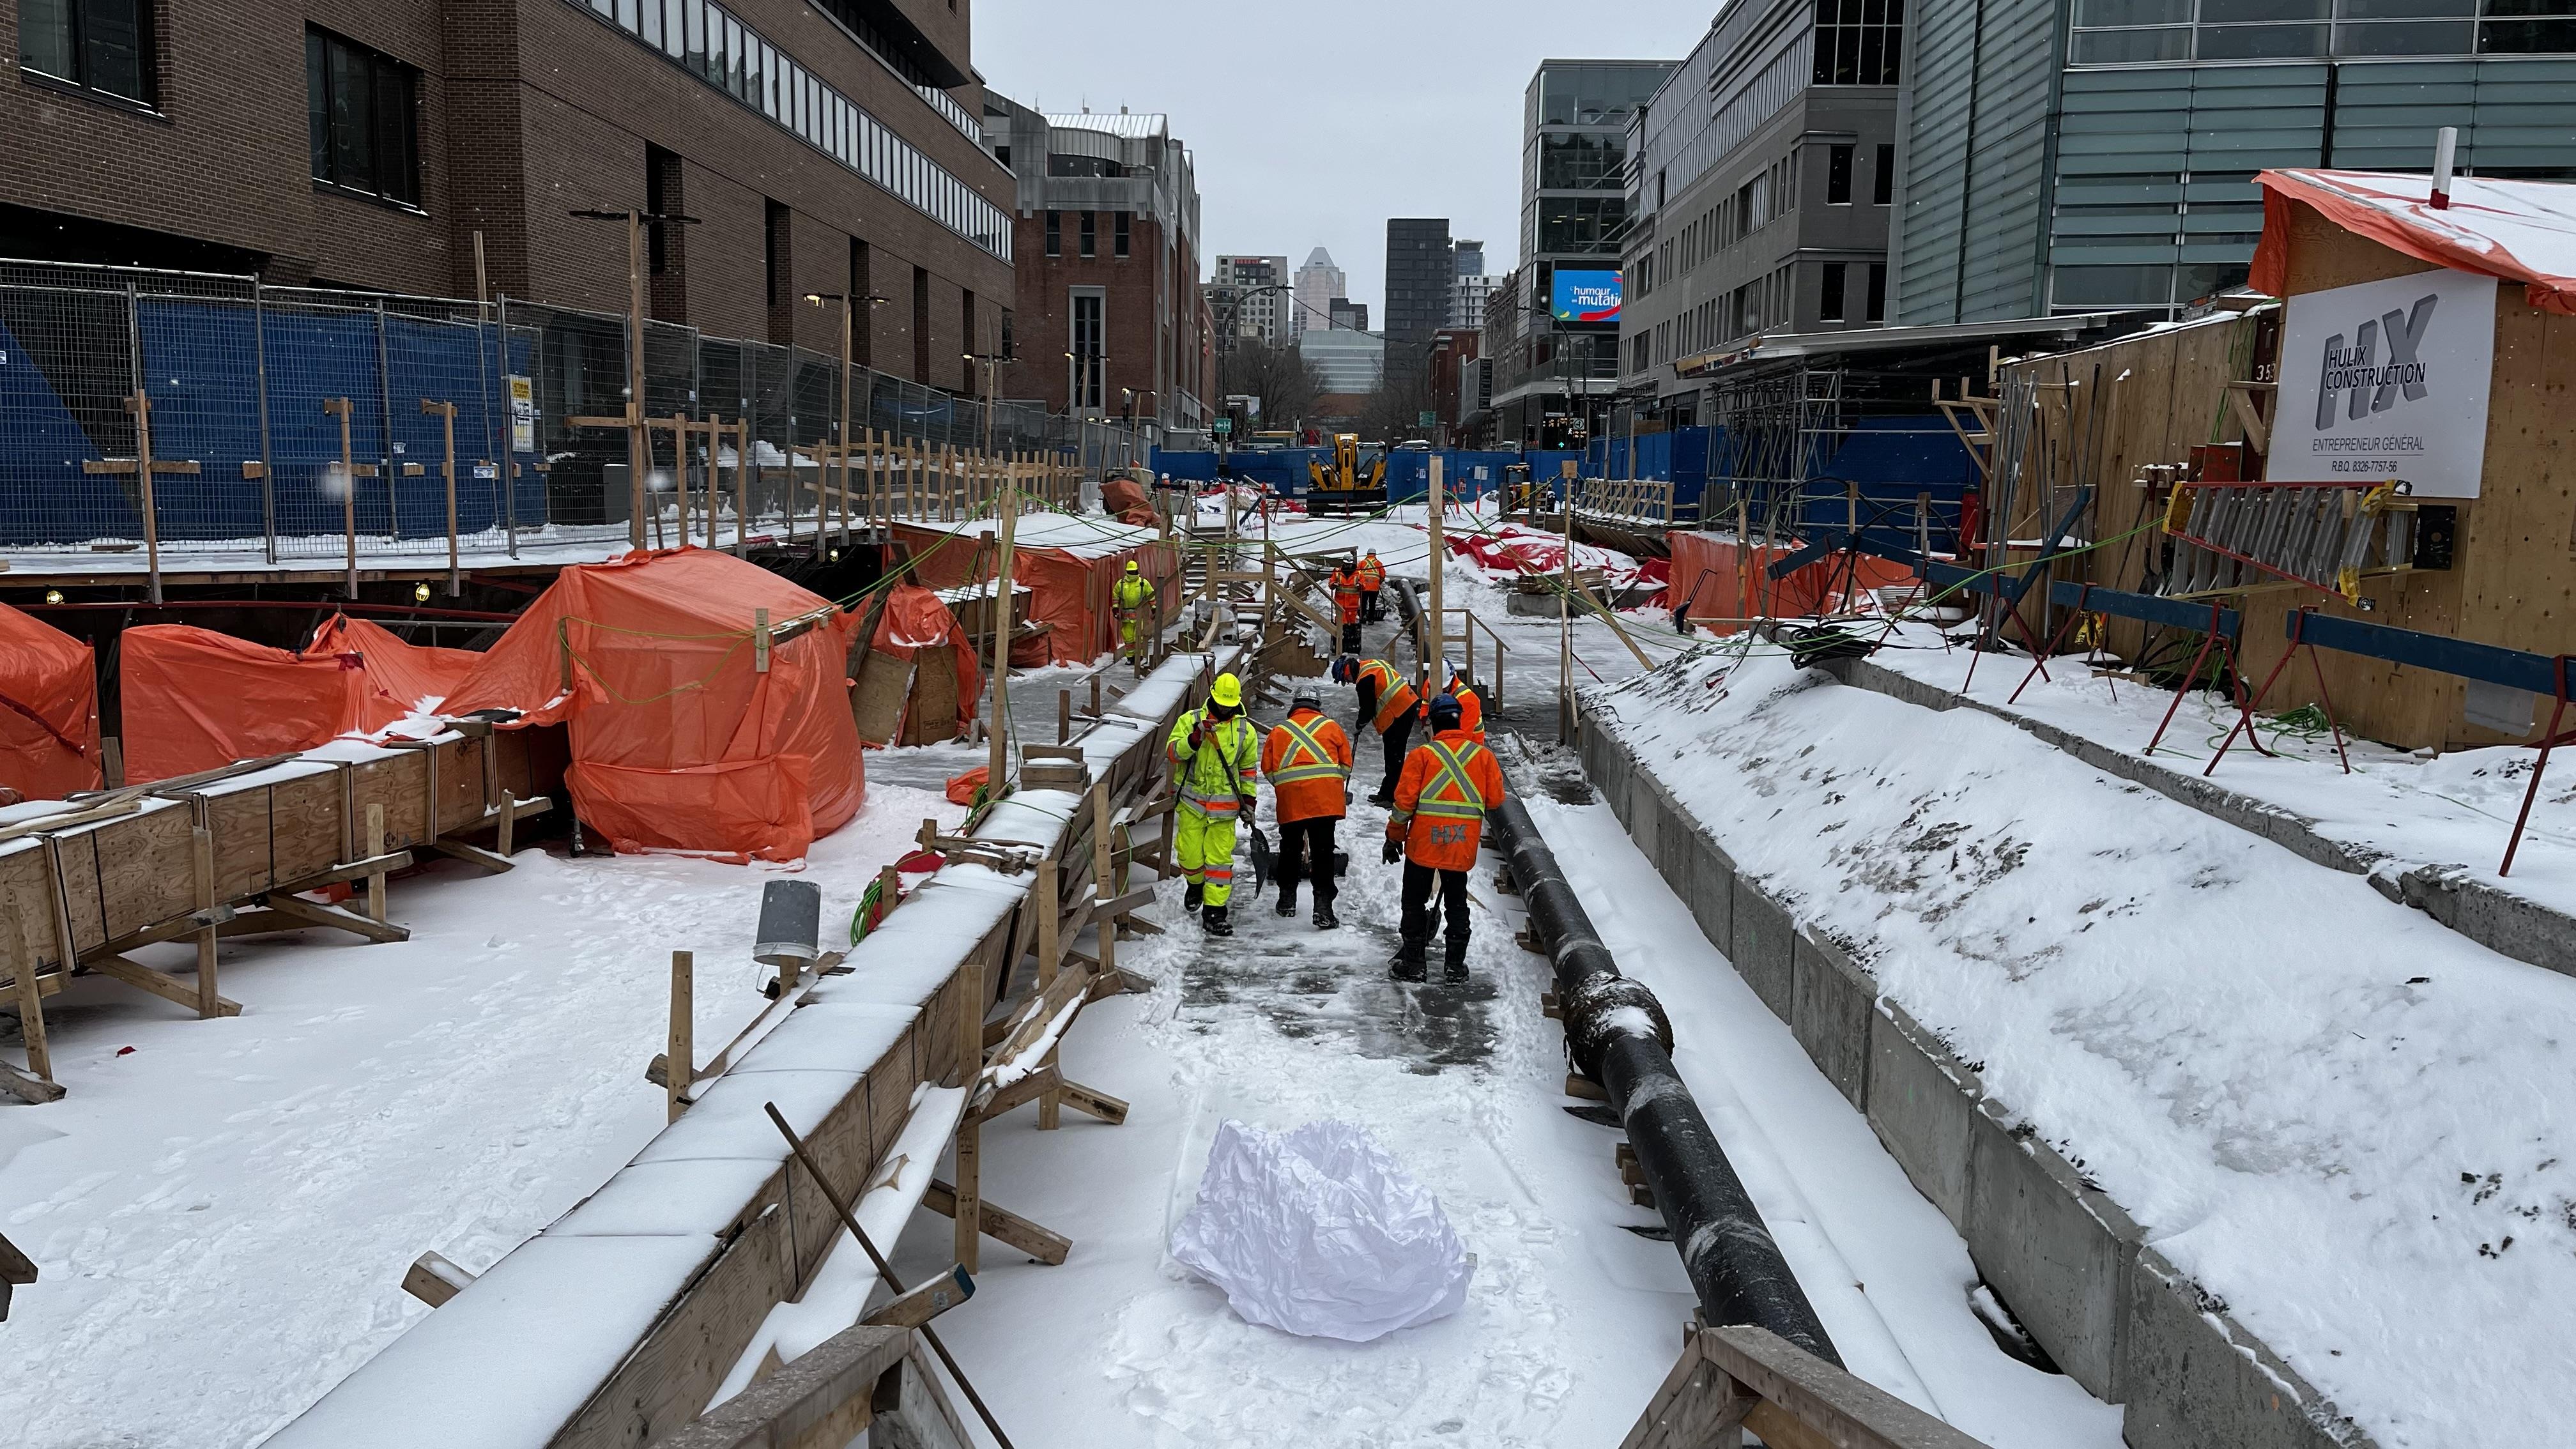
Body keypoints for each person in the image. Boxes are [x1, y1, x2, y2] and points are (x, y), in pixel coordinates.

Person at [1383, 694, 1507, 983]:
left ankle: (1414, 965)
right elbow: (1496, 800)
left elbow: (1403, 805)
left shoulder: (1421, 756)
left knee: (1413, 903)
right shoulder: (1483, 757)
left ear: (1432, 724)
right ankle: (1454, 966)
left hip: (1423, 846)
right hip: (1460, 846)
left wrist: (1393, 838)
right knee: (1457, 903)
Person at [1165, 671, 1259, 937]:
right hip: (1193, 804)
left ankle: (1215, 913)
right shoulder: (1191, 721)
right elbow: (1172, 754)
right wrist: (1194, 739)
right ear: (1212, 698)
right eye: (1221, 704)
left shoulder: (1245, 731)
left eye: (1229, 706)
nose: (1224, 709)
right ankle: (1195, 884)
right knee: (1190, 855)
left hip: (1225, 810)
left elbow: (1247, 769)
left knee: (1218, 863)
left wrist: (1249, 801)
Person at [1260, 687, 1353, 929]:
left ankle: (1287, 900)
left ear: (1295, 705)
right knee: (1323, 853)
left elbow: (1269, 770)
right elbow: (1346, 766)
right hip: (1325, 803)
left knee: (1290, 849)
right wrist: (1328, 784)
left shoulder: (1279, 732)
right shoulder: (1332, 728)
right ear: (1317, 705)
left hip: (1292, 801)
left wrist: (1290, 785)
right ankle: (1323, 908)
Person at [1334, 654, 1416, 806]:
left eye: (1346, 680)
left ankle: (1392, 797)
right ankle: (1386, 793)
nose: (1349, 683)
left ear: (1347, 672)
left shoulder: (1364, 680)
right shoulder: (1372, 665)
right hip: (1406, 706)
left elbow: (1368, 709)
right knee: (1392, 755)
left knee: (1394, 756)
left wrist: (1359, 725)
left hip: (1400, 711)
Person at [1111, 558, 1156, 668]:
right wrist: (1116, 608)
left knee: (1139, 637)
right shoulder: (1121, 584)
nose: (1132, 574)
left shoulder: (1143, 583)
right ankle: (1130, 657)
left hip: (1140, 616)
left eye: (1133, 572)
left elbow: (1151, 595)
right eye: (1130, 572)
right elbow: (1115, 595)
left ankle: (1139, 656)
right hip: (1126, 617)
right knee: (1128, 638)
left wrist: (1154, 608)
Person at [1329, 558, 1364, 656]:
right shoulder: (1337, 572)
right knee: (1340, 624)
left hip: (1352, 604)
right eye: (1346, 564)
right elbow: (1331, 582)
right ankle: (1340, 644)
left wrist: (1360, 585)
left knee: (1351, 624)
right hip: (1340, 603)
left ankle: (1350, 644)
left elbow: (1363, 584)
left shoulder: (1359, 573)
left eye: (1349, 564)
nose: (1348, 566)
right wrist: (1333, 584)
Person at [1356, 549, 1386, 622]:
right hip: (1374, 588)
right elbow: (1383, 575)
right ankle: (1371, 619)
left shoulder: (1362, 563)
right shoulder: (1379, 563)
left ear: (1367, 554)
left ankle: (1362, 618)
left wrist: (1360, 582)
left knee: (1363, 603)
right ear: (1375, 555)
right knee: (1372, 604)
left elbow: (1356, 574)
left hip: (1364, 587)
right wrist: (1378, 583)